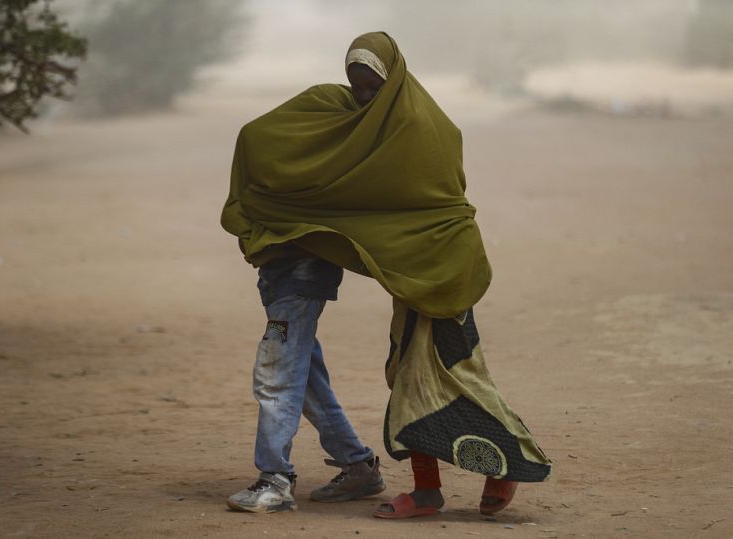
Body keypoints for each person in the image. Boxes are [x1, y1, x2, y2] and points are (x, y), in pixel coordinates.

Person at [221, 31, 551, 518]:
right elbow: (331, 183)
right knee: (403, 377)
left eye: (373, 86)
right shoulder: (342, 116)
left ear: (393, 77)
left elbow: (425, 204)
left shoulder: (417, 126)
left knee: (455, 376)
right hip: (406, 277)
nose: (364, 97)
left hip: (444, 268)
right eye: (357, 86)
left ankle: (507, 464)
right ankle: (396, 480)